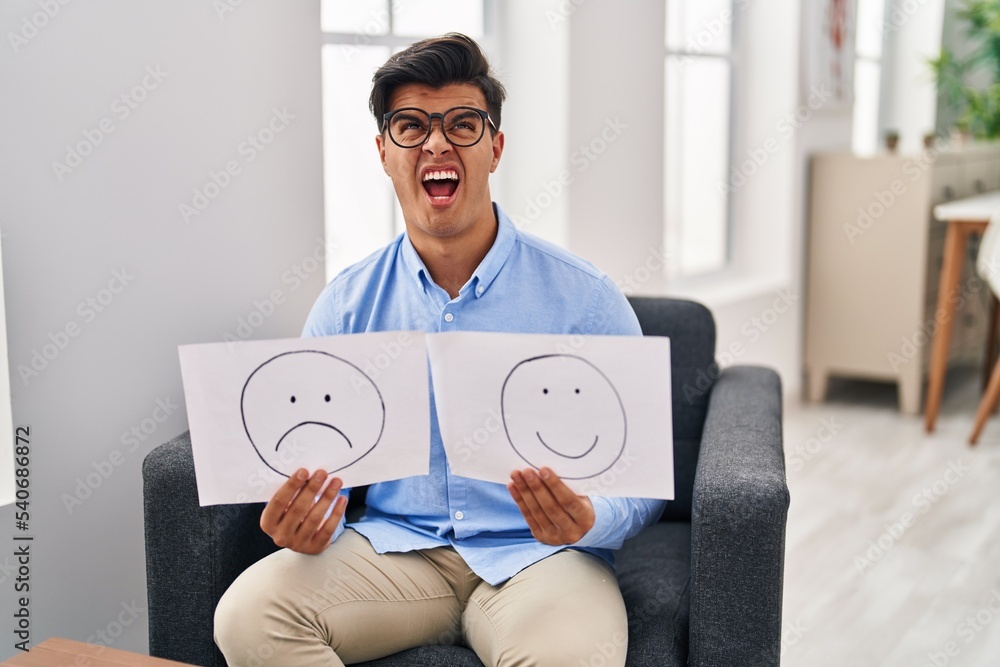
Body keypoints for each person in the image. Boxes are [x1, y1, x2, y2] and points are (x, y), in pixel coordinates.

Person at [214, 32, 665, 667]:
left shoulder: (585, 298)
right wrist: (310, 523)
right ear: (383, 152)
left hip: (541, 561)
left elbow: (645, 478)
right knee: (247, 617)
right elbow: (317, 471)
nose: (436, 142)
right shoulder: (345, 306)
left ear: (495, 147)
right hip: (395, 553)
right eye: (410, 126)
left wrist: (589, 518)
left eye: (462, 124)